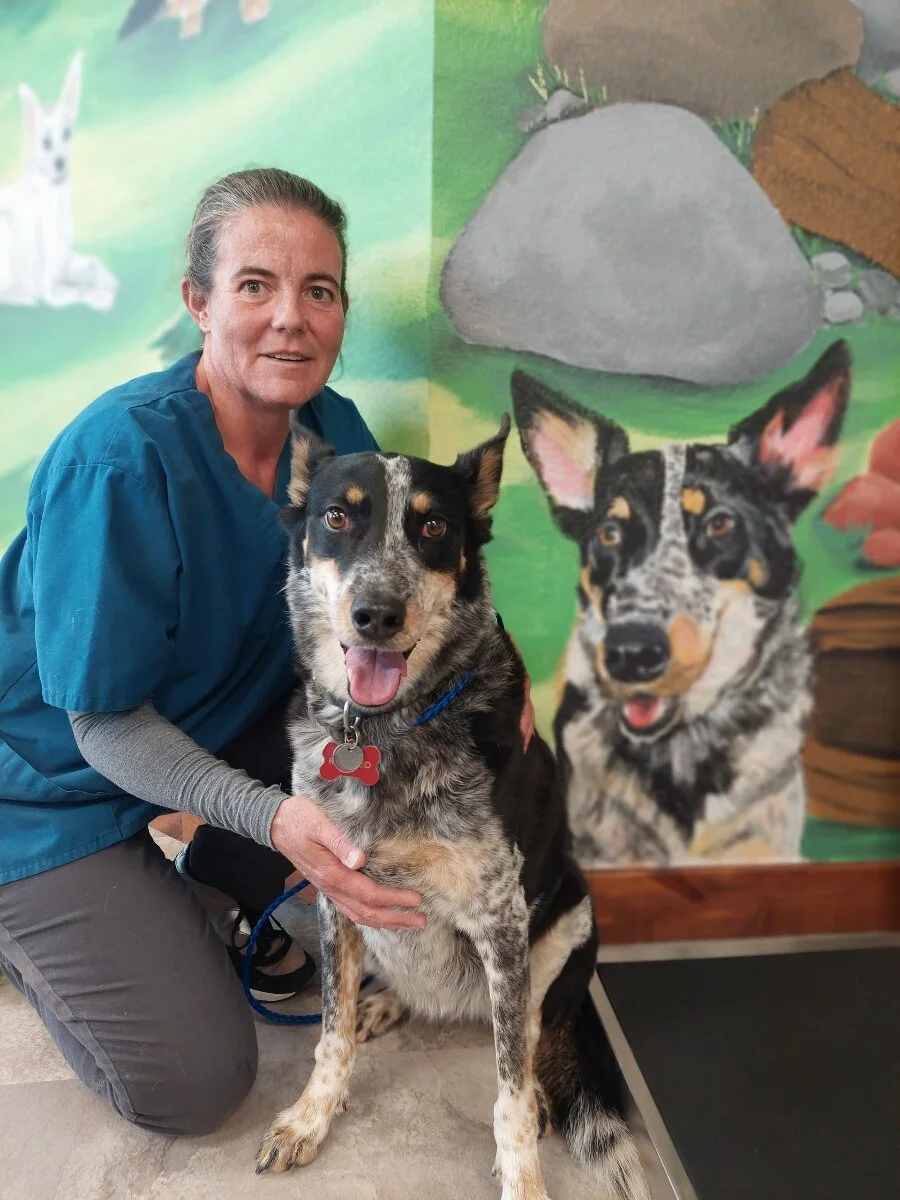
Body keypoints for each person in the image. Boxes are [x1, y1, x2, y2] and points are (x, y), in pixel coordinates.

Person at [0, 168, 531, 1137]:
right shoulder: (118, 460)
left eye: (319, 290)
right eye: (255, 285)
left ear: (339, 311)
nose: (291, 318)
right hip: (45, 788)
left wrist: (507, 677)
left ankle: (186, 867)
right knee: (197, 1082)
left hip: (218, 735)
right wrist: (271, 818)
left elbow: (421, 574)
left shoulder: (333, 437)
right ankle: (38, 925)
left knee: (364, 907)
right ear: (198, 302)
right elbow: (101, 721)